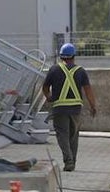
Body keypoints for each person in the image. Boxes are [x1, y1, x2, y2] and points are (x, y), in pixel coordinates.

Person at [41, 43, 97, 172]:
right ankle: (73, 161)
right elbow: (88, 90)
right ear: (74, 56)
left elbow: (45, 87)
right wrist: (93, 106)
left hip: (60, 109)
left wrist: (49, 97)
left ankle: (68, 161)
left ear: (61, 56)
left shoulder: (54, 69)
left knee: (62, 135)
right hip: (76, 109)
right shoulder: (81, 71)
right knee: (73, 136)